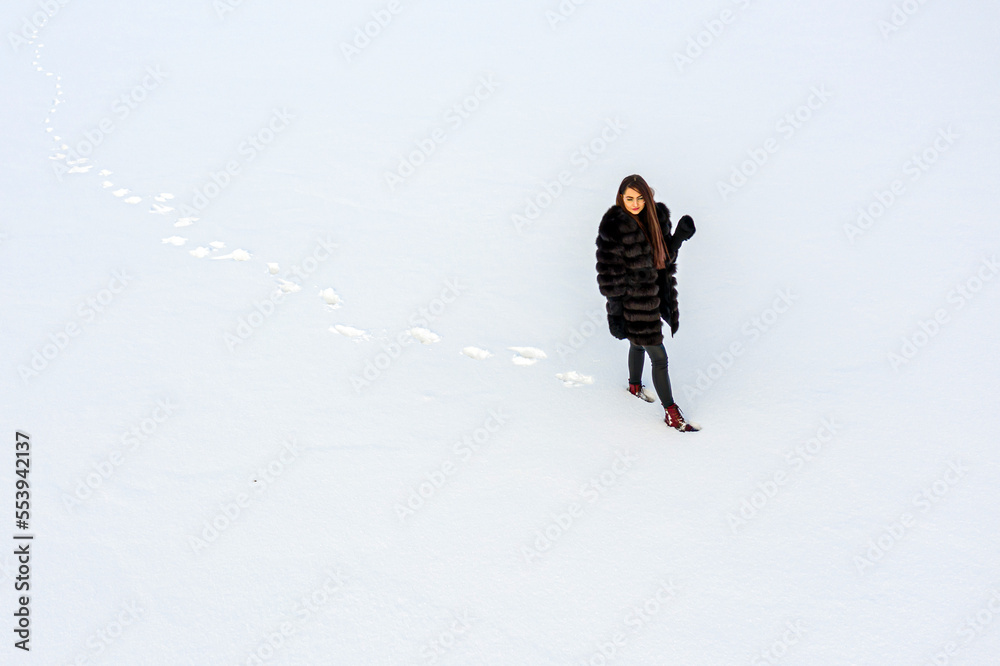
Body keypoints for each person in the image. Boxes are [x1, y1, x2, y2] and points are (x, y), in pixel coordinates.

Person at [595, 174, 699, 432]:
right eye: (629, 198)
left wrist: (679, 237)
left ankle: (634, 386)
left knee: (637, 344)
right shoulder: (613, 227)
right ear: (621, 198)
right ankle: (671, 413)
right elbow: (610, 279)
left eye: (640, 198)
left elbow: (665, 260)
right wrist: (616, 314)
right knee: (660, 358)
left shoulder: (655, 218)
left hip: (654, 295)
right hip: (634, 301)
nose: (635, 203)